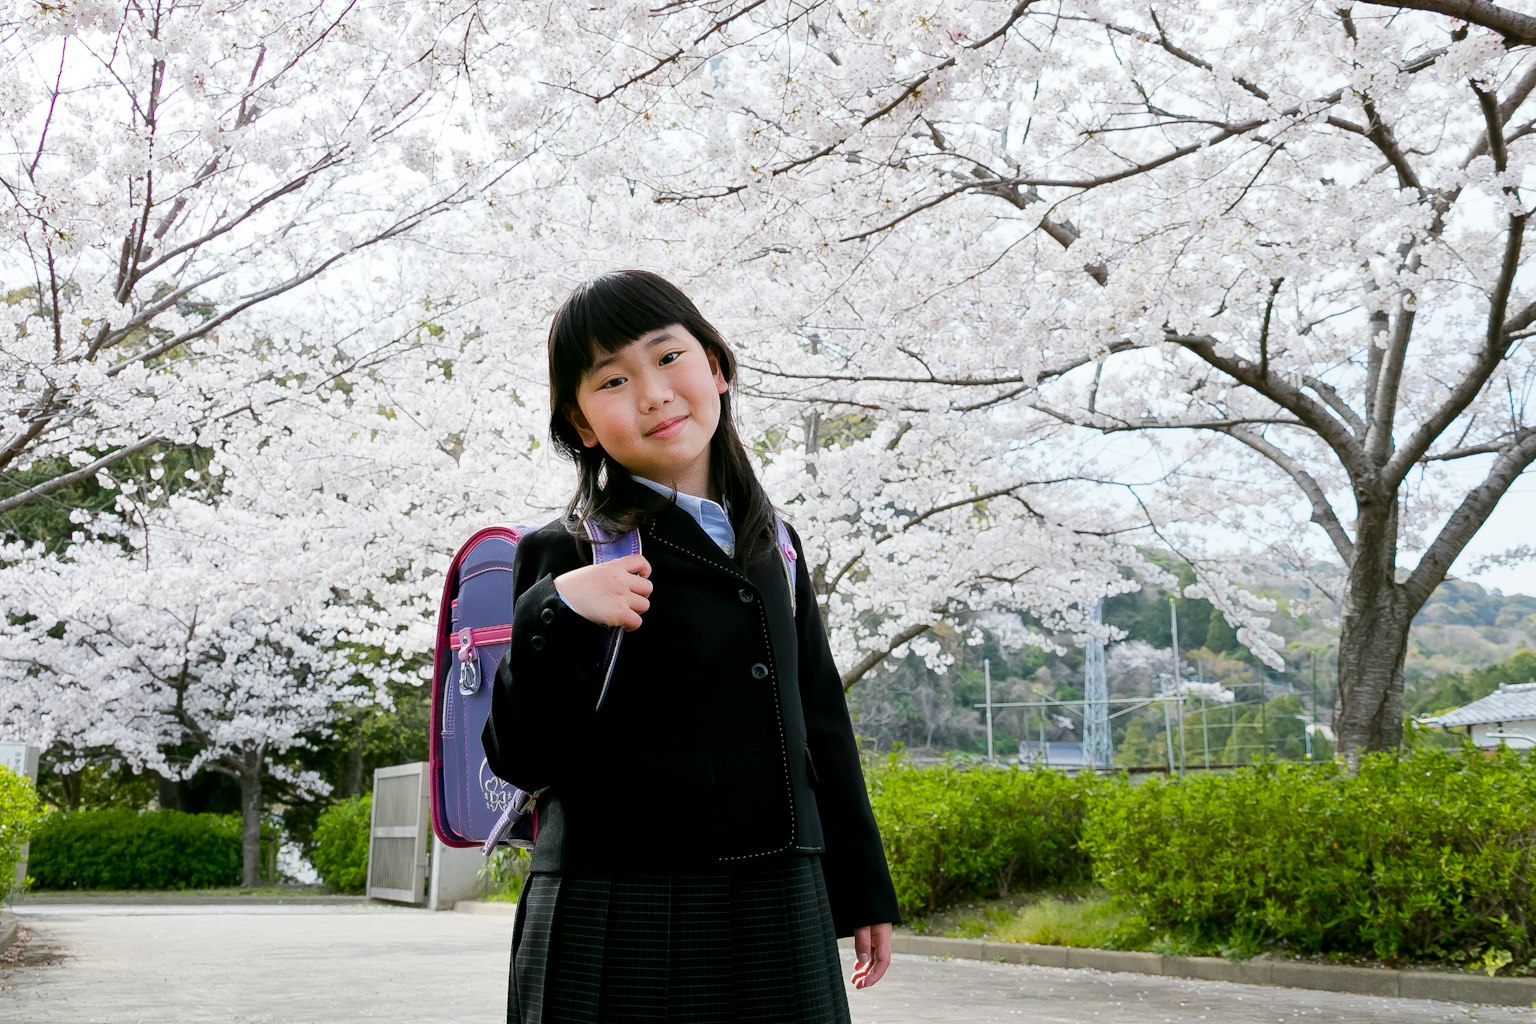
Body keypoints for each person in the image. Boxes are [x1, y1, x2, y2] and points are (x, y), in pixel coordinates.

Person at [482, 269, 900, 1024]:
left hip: (781, 888)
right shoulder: (570, 553)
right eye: (612, 379)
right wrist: (557, 609)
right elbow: (522, 755)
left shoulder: (777, 544)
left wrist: (862, 885)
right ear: (579, 423)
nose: (652, 393)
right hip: (618, 893)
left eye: (669, 357)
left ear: (718, 366)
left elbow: (821, 720)